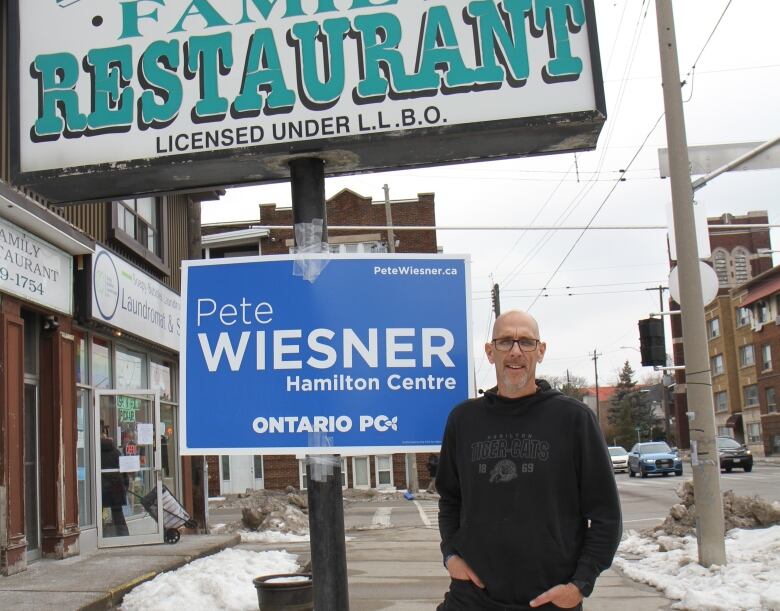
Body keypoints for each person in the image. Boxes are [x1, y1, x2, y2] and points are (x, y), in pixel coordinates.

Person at [436, 310, 621, 610]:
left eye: (526, 342)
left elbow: (606, 516)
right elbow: (450, 499)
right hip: (471, 598)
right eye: (506, 341)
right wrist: (450, 555)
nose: (516, 351)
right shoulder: (464, 419)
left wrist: (579, 585)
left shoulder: (573, 419)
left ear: (541, 351)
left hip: (548, 600)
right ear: (490, 352)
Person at [100, 429, 129, 537]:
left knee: (98, 512)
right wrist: (125, 485)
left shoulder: (96, 454)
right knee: (118, 512)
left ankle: (102, 535)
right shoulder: (116, 452)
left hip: (102, 488)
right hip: (116, 486)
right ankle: (123, 535)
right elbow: (124, 471)